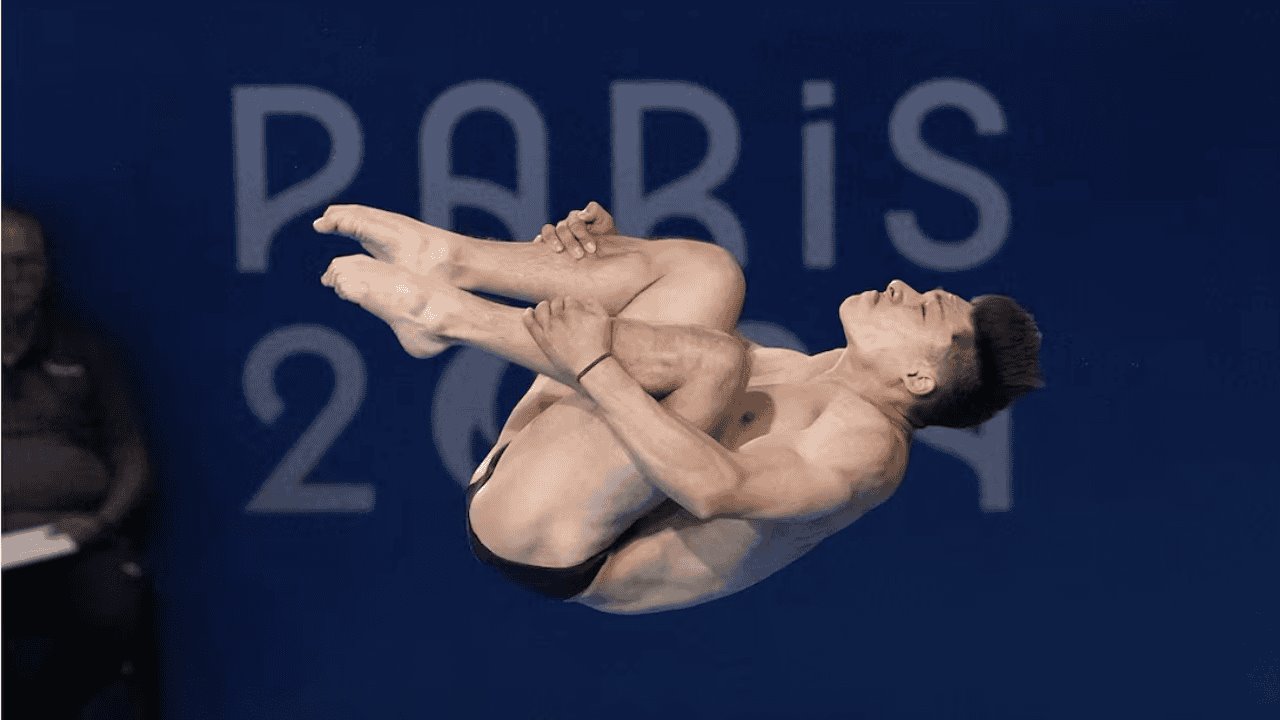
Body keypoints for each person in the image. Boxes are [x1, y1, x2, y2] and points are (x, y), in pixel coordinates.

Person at [313, 201, 1043, 614]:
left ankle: (447, 314)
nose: (899, 285)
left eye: (923, 308)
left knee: (715, 359)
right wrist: (606, 256)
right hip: (544, 468)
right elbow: (658, 353)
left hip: (556, 541)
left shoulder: (866, 451)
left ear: (918, 377)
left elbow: (713, 487)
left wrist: (591, 359)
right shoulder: (821, 371)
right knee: (706, 270)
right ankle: (453, 265)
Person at [2, 206, 156, 718]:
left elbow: (129, 451)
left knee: (114, 612)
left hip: (70, 540)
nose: (16, 277)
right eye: (4, 263)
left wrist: (102, 521)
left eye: (29, 263)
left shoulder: (85, 350)